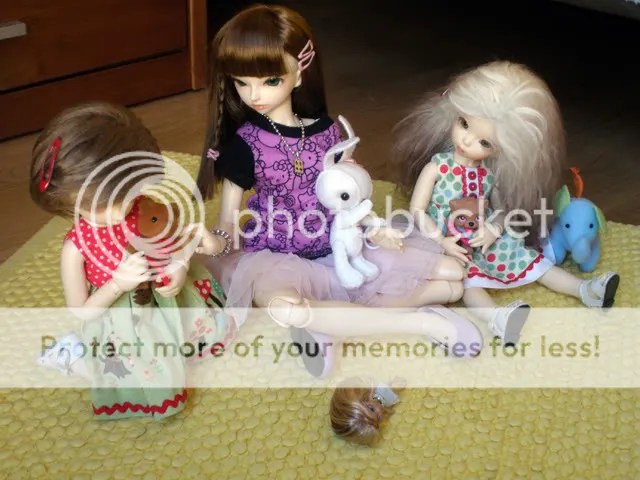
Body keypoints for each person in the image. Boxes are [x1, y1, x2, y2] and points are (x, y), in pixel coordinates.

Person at [195, 3, 483, 377]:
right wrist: (214, 243)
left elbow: (349, 197)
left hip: (337, 244)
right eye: (241, 82)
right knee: (286, 308)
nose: (254, 95)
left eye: (270, 81)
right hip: (276, 256)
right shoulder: (245, 145)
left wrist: (373, 228)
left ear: (299, 72)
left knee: (451, 279)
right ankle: (423, 322)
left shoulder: (328, 131)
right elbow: (227, 226)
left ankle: (327, 325)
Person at [391, 60, 620, 346]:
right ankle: (497, 318)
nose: (466, 140)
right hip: (448, 242)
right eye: (463, 123)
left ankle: (586, 290)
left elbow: (501, 210)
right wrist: (441, 241)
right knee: (468, 282)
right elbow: (416, 210)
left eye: (485, 143)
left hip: (484, 237)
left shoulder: (489, 175)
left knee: (530, 260)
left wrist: (494, 229)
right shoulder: (437, 168)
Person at [30, 101, 234, 419]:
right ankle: (73, 354)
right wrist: (116, 284)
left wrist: (179, 266)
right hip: (124, 321)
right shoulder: (77, 247)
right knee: (140, 375)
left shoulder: (143, 206)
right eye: (99, 204)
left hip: (169, 301)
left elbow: (175, 241)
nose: (118, 211)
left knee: (206, 338)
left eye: (127, 195)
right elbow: (81, 310)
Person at [329, 376, 405, 446]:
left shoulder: (369, 386)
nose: (379, 410)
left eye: (372, 409)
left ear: (361, 397)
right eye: (378, 418)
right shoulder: (384, 397)